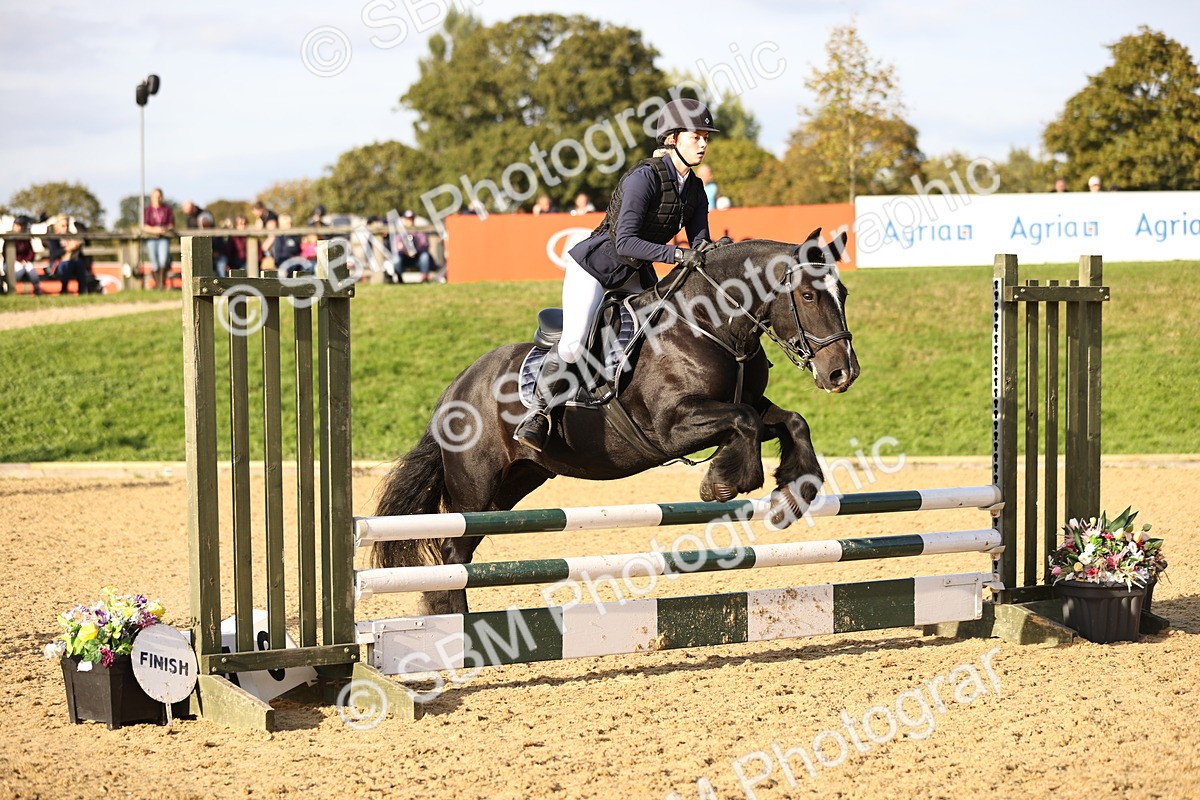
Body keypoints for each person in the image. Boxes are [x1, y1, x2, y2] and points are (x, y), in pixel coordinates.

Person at [513, 97, 727, 451]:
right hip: (597, 268)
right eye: (696, 136)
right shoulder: (643, 179)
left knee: (668, 332)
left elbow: (700, 242)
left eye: (706, 137)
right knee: (574, 341)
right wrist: (676, 254)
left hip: (636, 273)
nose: (703, 144)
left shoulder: (695, 189)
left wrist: (719, 251)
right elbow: (626, 242)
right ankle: (537, 414)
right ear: (672, 138)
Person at [143, 188, 174, 290]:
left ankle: (162, 284)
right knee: (154, 262)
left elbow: (171, 224)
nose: (157, 198)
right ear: (152, 197)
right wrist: (154, 230)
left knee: (163, 259)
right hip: (151, 238)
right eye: (155, 196)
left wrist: (164, 229)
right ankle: (158, 284)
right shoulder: (147, 210)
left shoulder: (167, 209)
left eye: (159, 196)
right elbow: (144, 226)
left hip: (163, 238)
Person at [6, 216, 43, 295]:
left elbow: (31, 252)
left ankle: (37, 289)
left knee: (30, 268)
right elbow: (8, 254)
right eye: (18, 225)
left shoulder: (25, 237)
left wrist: (26, 260)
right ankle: (10, 291)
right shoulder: (9, 235)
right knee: (19, 269)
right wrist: (19, 261)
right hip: (12, 262)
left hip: (24, 262)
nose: (19, 227)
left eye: (21, 225)